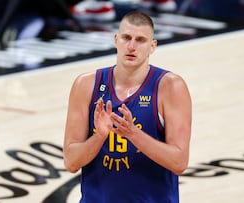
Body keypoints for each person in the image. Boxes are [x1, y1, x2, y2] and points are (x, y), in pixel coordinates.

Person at [63, 11, 192, 203]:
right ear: (116, 40)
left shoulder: (170, 87)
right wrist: (99, 136)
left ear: (152, 46)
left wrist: (132, 133)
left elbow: (179, 162)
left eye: (140, 40)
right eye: (126, 38)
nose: (131, 46)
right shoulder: (86, 85)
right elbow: (71, 162)